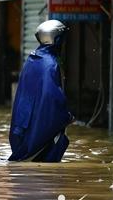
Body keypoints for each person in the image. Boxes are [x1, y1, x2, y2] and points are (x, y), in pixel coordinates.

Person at [9, 20, 74, 162]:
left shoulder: (33, 58)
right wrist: (66, 116)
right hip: (38, 124)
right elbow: (52, 97)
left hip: (24, 123)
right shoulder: (50, 64)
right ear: (56, 38)